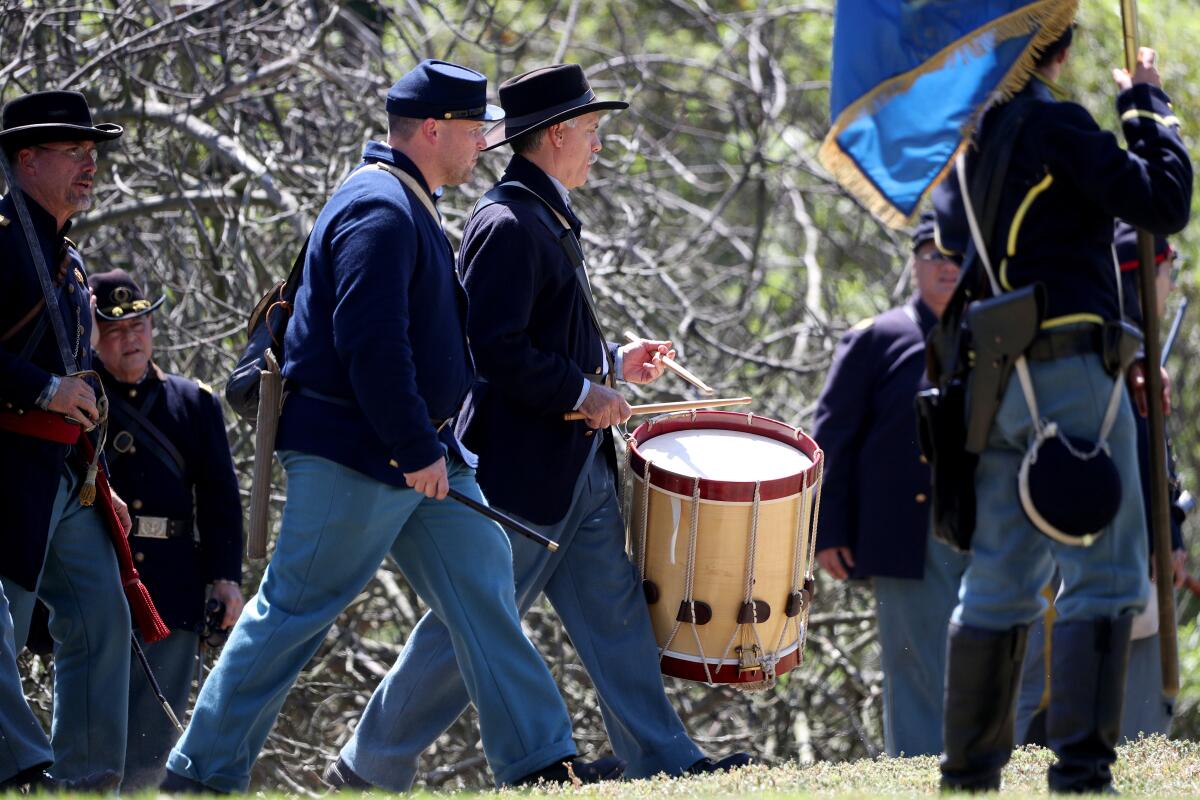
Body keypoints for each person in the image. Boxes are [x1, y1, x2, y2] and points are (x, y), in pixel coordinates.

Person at [161, 60, 615, 794]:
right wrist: (414, 447)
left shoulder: (405, 198)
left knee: (483, 588)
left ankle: (539, 761)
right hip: (362, 457)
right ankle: (198, 775)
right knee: (290, 615)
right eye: (473, 131)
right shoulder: (379, 204)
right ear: (433, 129)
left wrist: (429, 447)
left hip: (415, 454)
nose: (482, 146)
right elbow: (370, 342)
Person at [325, 63, 752, 793]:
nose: (596, 147)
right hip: (519, 475)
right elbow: (491, 349)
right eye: (588, 132)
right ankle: (368, 766)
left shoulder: (539, 211)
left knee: (617, 619)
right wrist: (584, 388)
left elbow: (544, 336)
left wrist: (614, 361)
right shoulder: (506, 220)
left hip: (575, 469)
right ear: (555, 135)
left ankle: (667, 760)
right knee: (468, 633)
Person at [932, 25, 1191, 793]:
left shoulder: (974, 141)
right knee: (1108, 579)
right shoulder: (1057, 125)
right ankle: (1081, 774)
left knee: (999, 584)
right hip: (1072, 377)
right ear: (1061, 49)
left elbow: (949, 235)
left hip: (1000, 386)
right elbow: (1162, 201)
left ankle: (969, 774)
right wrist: (1144, 106)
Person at [0, 90, 139, 791]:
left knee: (101, 618)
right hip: (6, 467)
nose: (91, 165)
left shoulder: (70, 256)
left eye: (93, 153)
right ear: (26, 158)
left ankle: (87, 783)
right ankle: (23, 770)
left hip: (61, 469)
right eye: (74, 153)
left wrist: (97, 478)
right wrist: (41, 389)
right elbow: (40, 377)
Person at [1016, 222, 1189, 746]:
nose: (1171, 286)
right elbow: (1143, 455)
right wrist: (1169, 536)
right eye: (1167, 272)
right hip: (1107, 540)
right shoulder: (1121, 351)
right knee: (1129, 703)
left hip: (1052, 535)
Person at [811, 213, 968, 757]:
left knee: (999, 655)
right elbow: (832, 438)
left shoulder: (994, 335)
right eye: (934, 255)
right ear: (914, 263)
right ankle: (921, 773)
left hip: (988, 525)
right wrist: (828, 529)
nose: (947, 267)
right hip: (908, 532)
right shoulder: (878, 338)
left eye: (958, 255)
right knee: (918, 664)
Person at [85, 268, 245, 790]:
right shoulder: (81, 398)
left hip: (173, 587)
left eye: (139, 326)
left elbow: (219, 499)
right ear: (95, 337)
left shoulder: (193, 403)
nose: (130, 339)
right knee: (92, 734)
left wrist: (225, 580)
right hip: (98, 580)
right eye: (114, 330)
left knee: (156, 741)